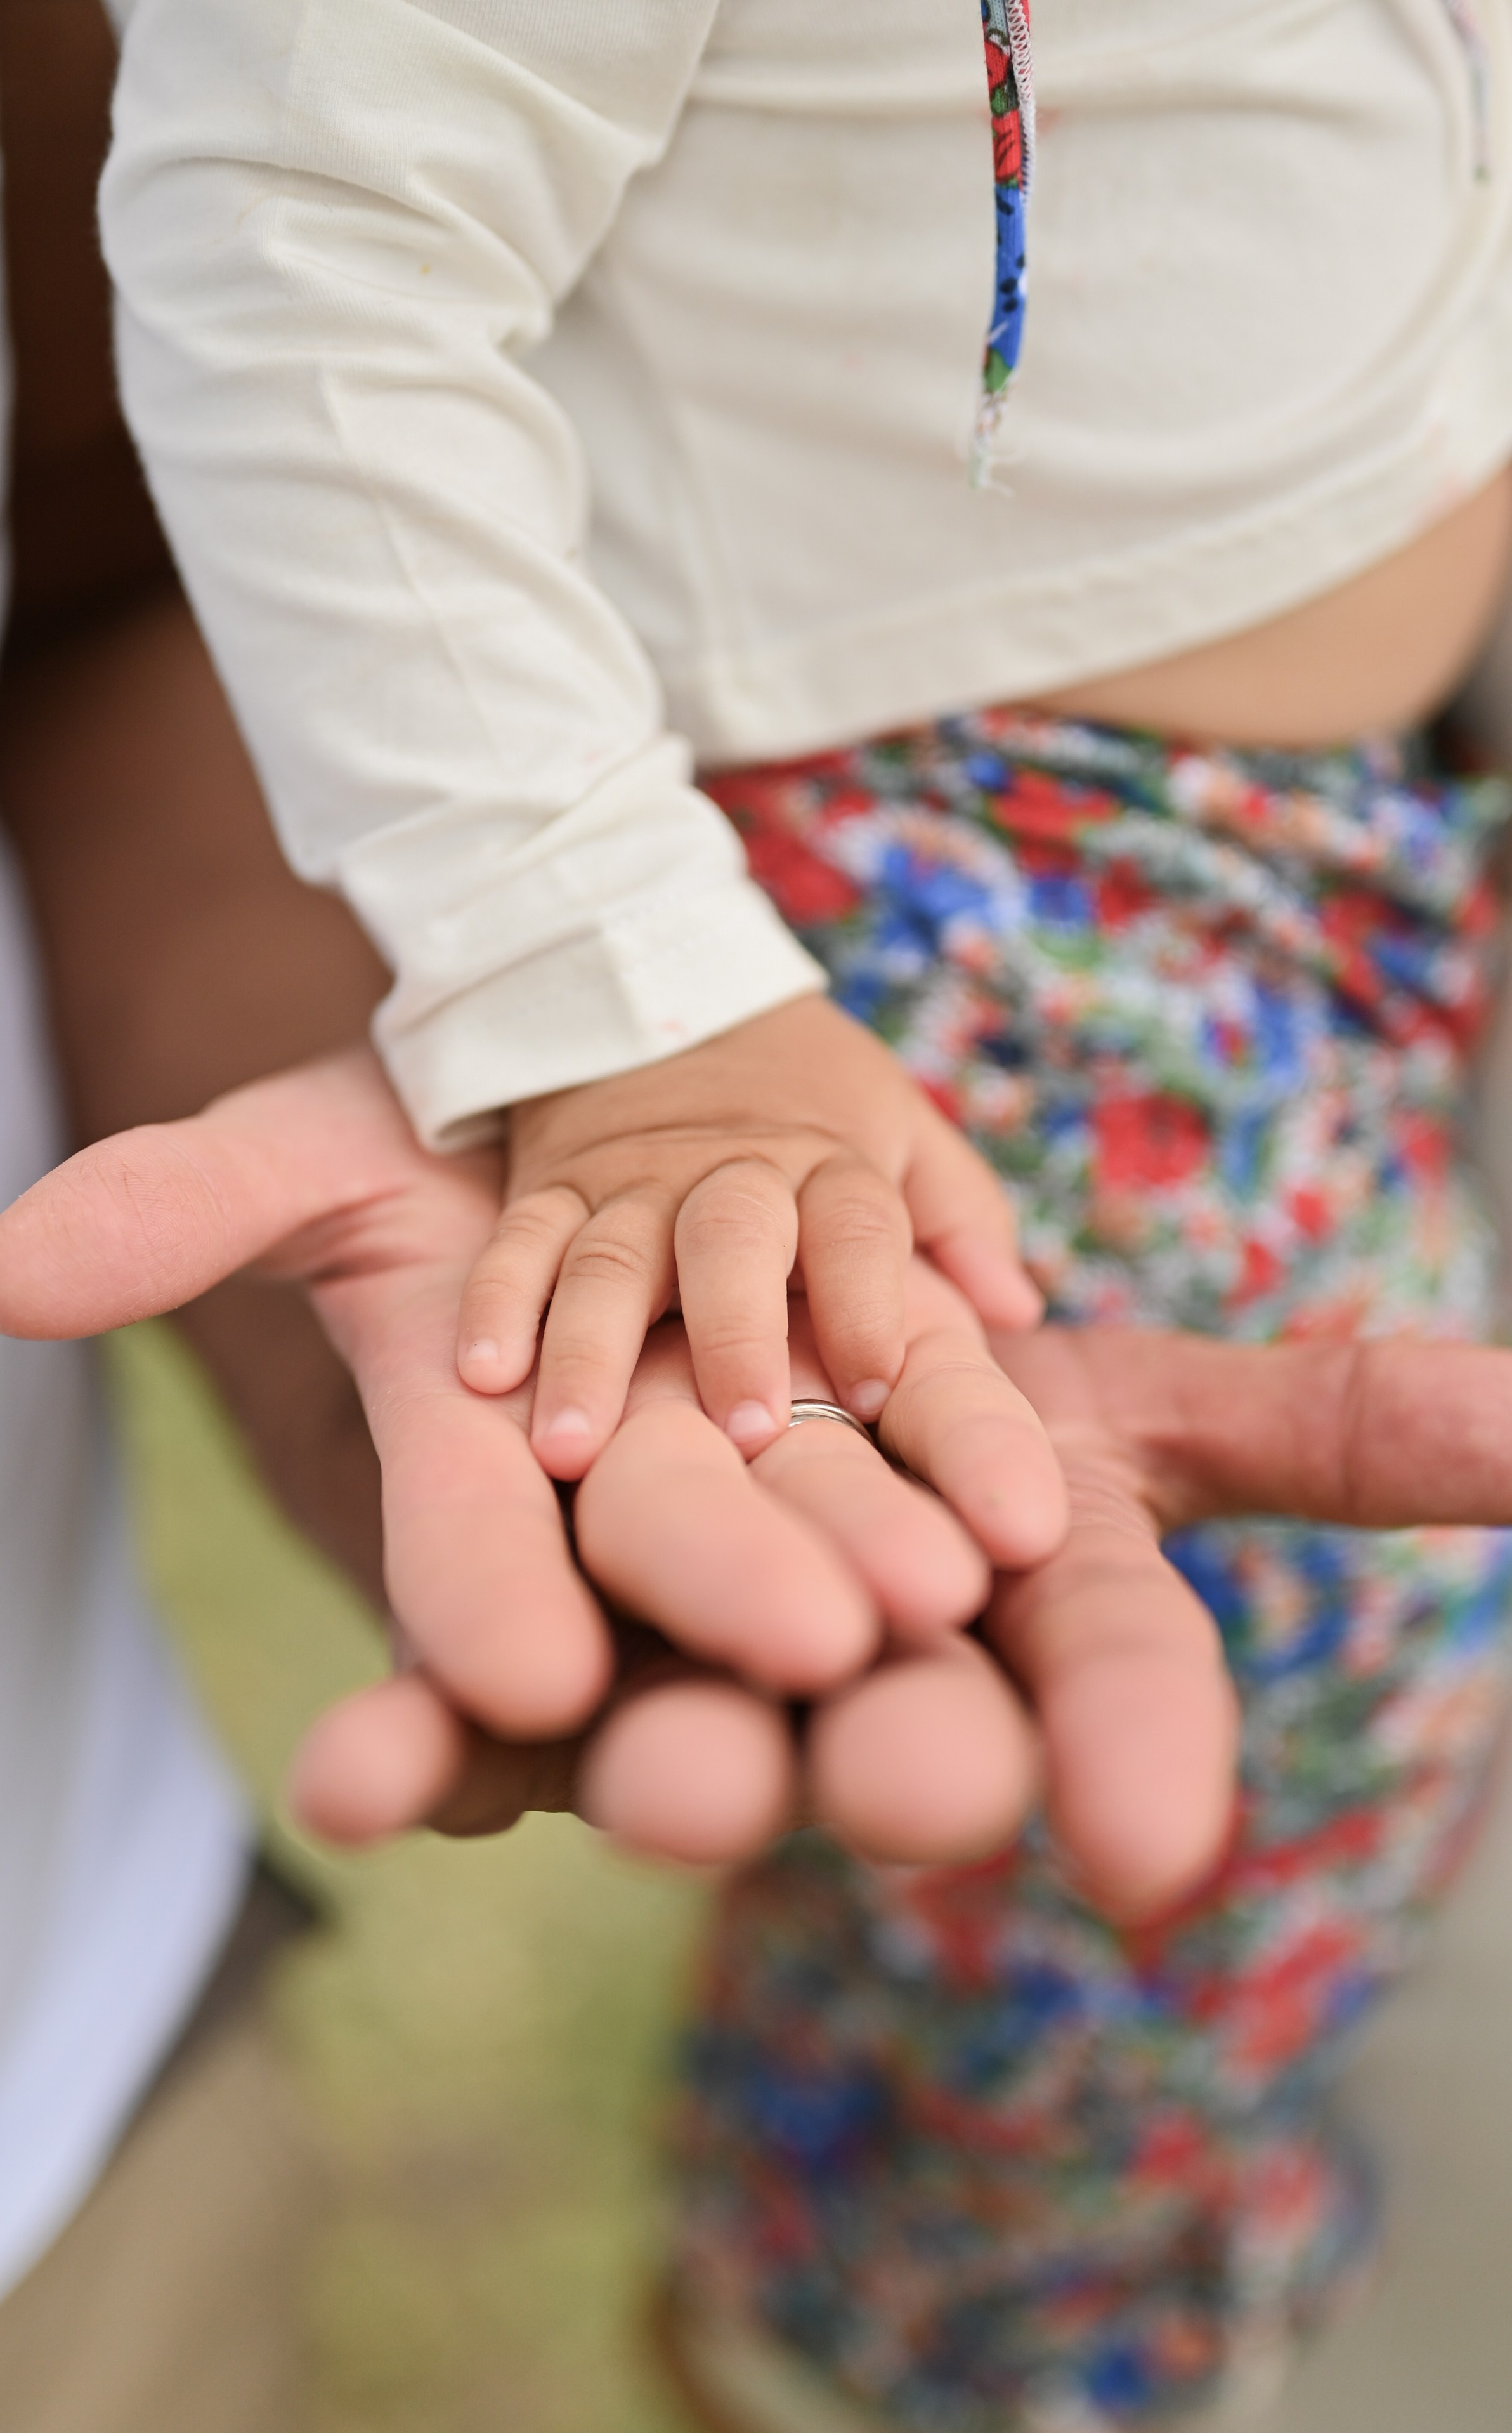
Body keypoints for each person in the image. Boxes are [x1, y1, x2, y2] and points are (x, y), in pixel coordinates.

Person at [84, 2, 1512, 2425]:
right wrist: (613, 997)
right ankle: (924, 2327)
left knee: (1295, 1728)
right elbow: (316, 224)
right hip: (962, 878)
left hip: (1355, 828)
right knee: (1249, 1714)